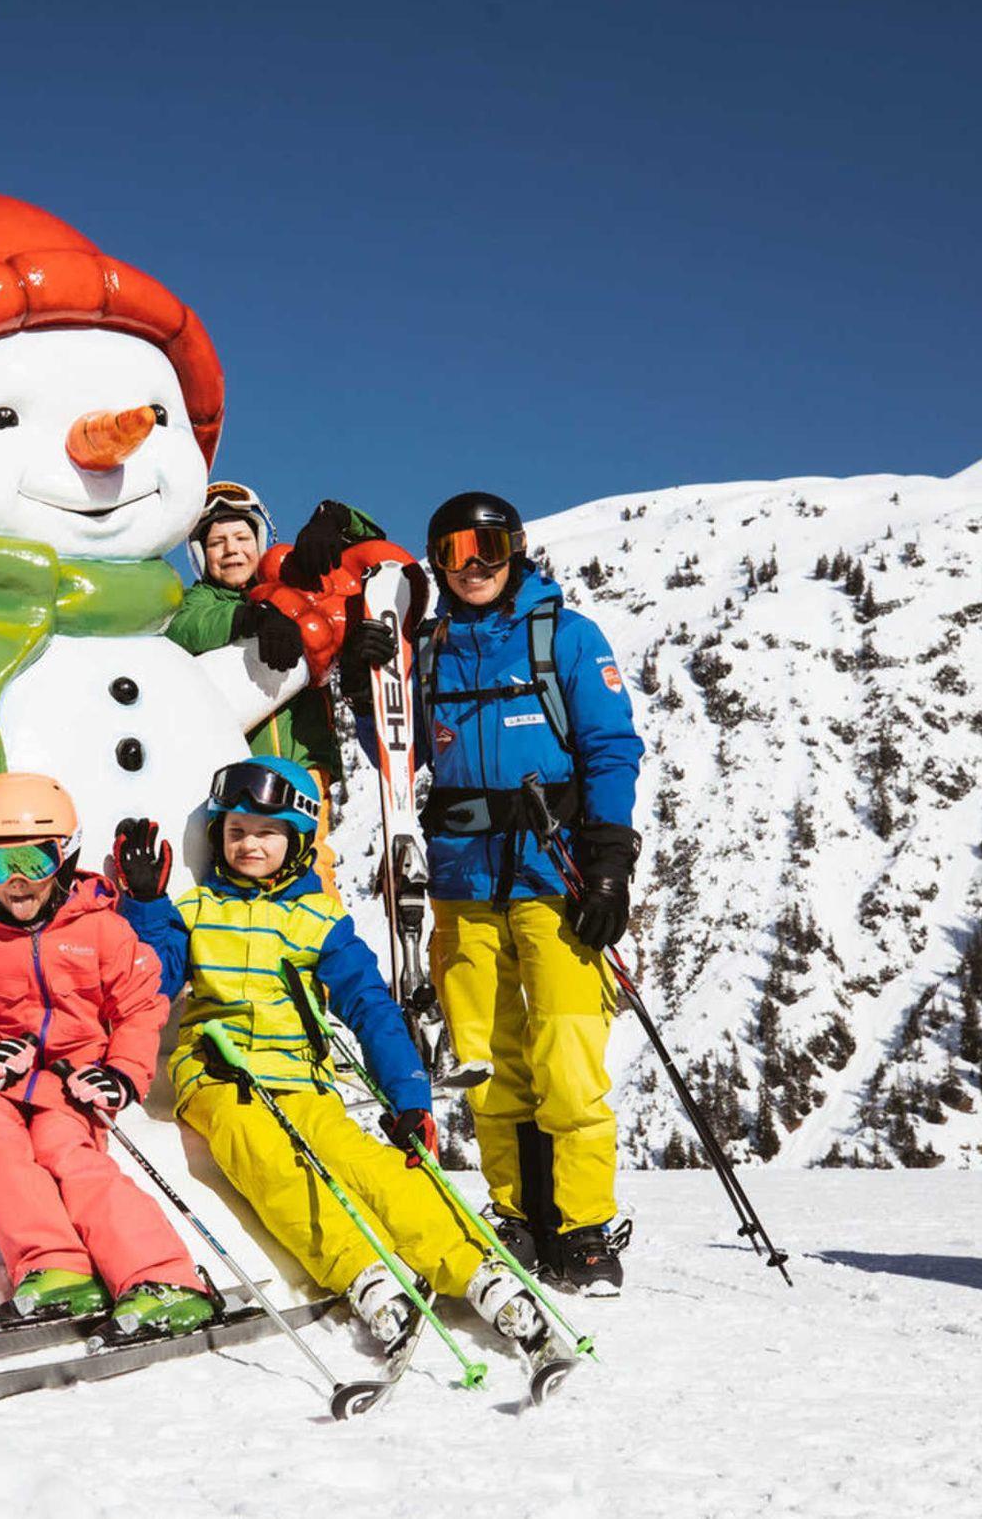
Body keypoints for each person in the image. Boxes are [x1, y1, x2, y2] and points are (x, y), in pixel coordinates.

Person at [112, 757, 547, 1349]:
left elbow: (370, 1008)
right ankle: (362, 1271)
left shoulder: (321, 921)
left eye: (267, 833)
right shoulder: (195, 912)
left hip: (301, 1077)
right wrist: (145, 904)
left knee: (368, 1165)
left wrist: (409, 1096)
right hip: (218, 1076)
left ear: (296, 841)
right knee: (263, 1155)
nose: (248, 845)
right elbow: (152, 982)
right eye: (236, 831)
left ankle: (474, 1268)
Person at [396, 491, 645, 1294]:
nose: (473, 567)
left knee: (567, 1059)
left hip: (552, 874)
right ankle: (518, 1215)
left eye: (489, 549)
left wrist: (609, 858)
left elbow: (611, 746)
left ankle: (584, 1225)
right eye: (454, 552)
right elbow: (394, 749)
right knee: (489, 1064)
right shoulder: (427, 651)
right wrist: (375, 676)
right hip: (461, 882)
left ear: (517, 550)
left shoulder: (566, 636)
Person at [0, 772, 215, 1344]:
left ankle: (163, 1276)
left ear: (65, 857)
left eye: (35, 860)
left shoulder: (101, 928)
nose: (18, 881)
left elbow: (140, 1005)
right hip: (3, 1078)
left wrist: (121, 1073)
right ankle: (57, 1270)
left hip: (76, 1084)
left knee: (65, 1153)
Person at [165, 483, 390, 893]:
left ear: (260, 541)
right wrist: (249, 618)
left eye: (241, 537)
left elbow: (371, 551)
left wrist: (336, 518)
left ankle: (318, 930)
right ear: (199, 555)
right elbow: (187, 627)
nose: (231, 550)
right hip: (230, 771)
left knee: (309, 867)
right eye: (216, 542)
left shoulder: (298, 584)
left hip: (302, 764)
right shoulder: (198, 600)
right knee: (233, 874)